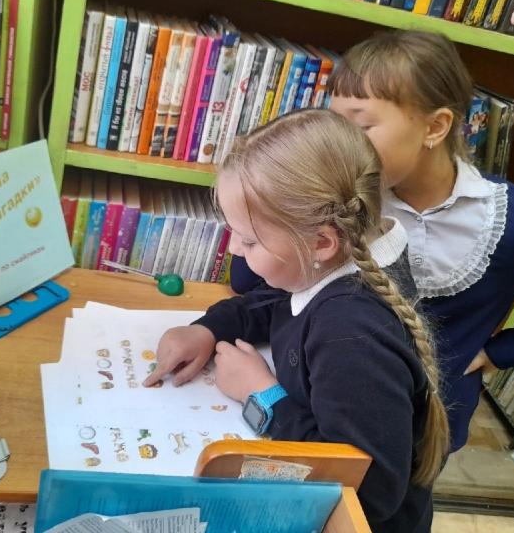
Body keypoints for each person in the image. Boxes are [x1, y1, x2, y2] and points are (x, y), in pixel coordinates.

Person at [230, 30, 514, 454]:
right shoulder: (348, 198)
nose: (340, 142)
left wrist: (502, 351)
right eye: (333, 124)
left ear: (435, 126)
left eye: (360, 126)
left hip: (418, 437)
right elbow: (248, 281)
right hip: (318, 405)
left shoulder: (509, 218)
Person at [144, 109, 449, 532]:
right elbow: (276, 301)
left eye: (249, 240)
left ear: (321, 242)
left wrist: (263, 396)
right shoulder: (340, 263)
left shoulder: (351, 334)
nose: (234, 249)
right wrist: (208, 329)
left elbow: (370, 491)